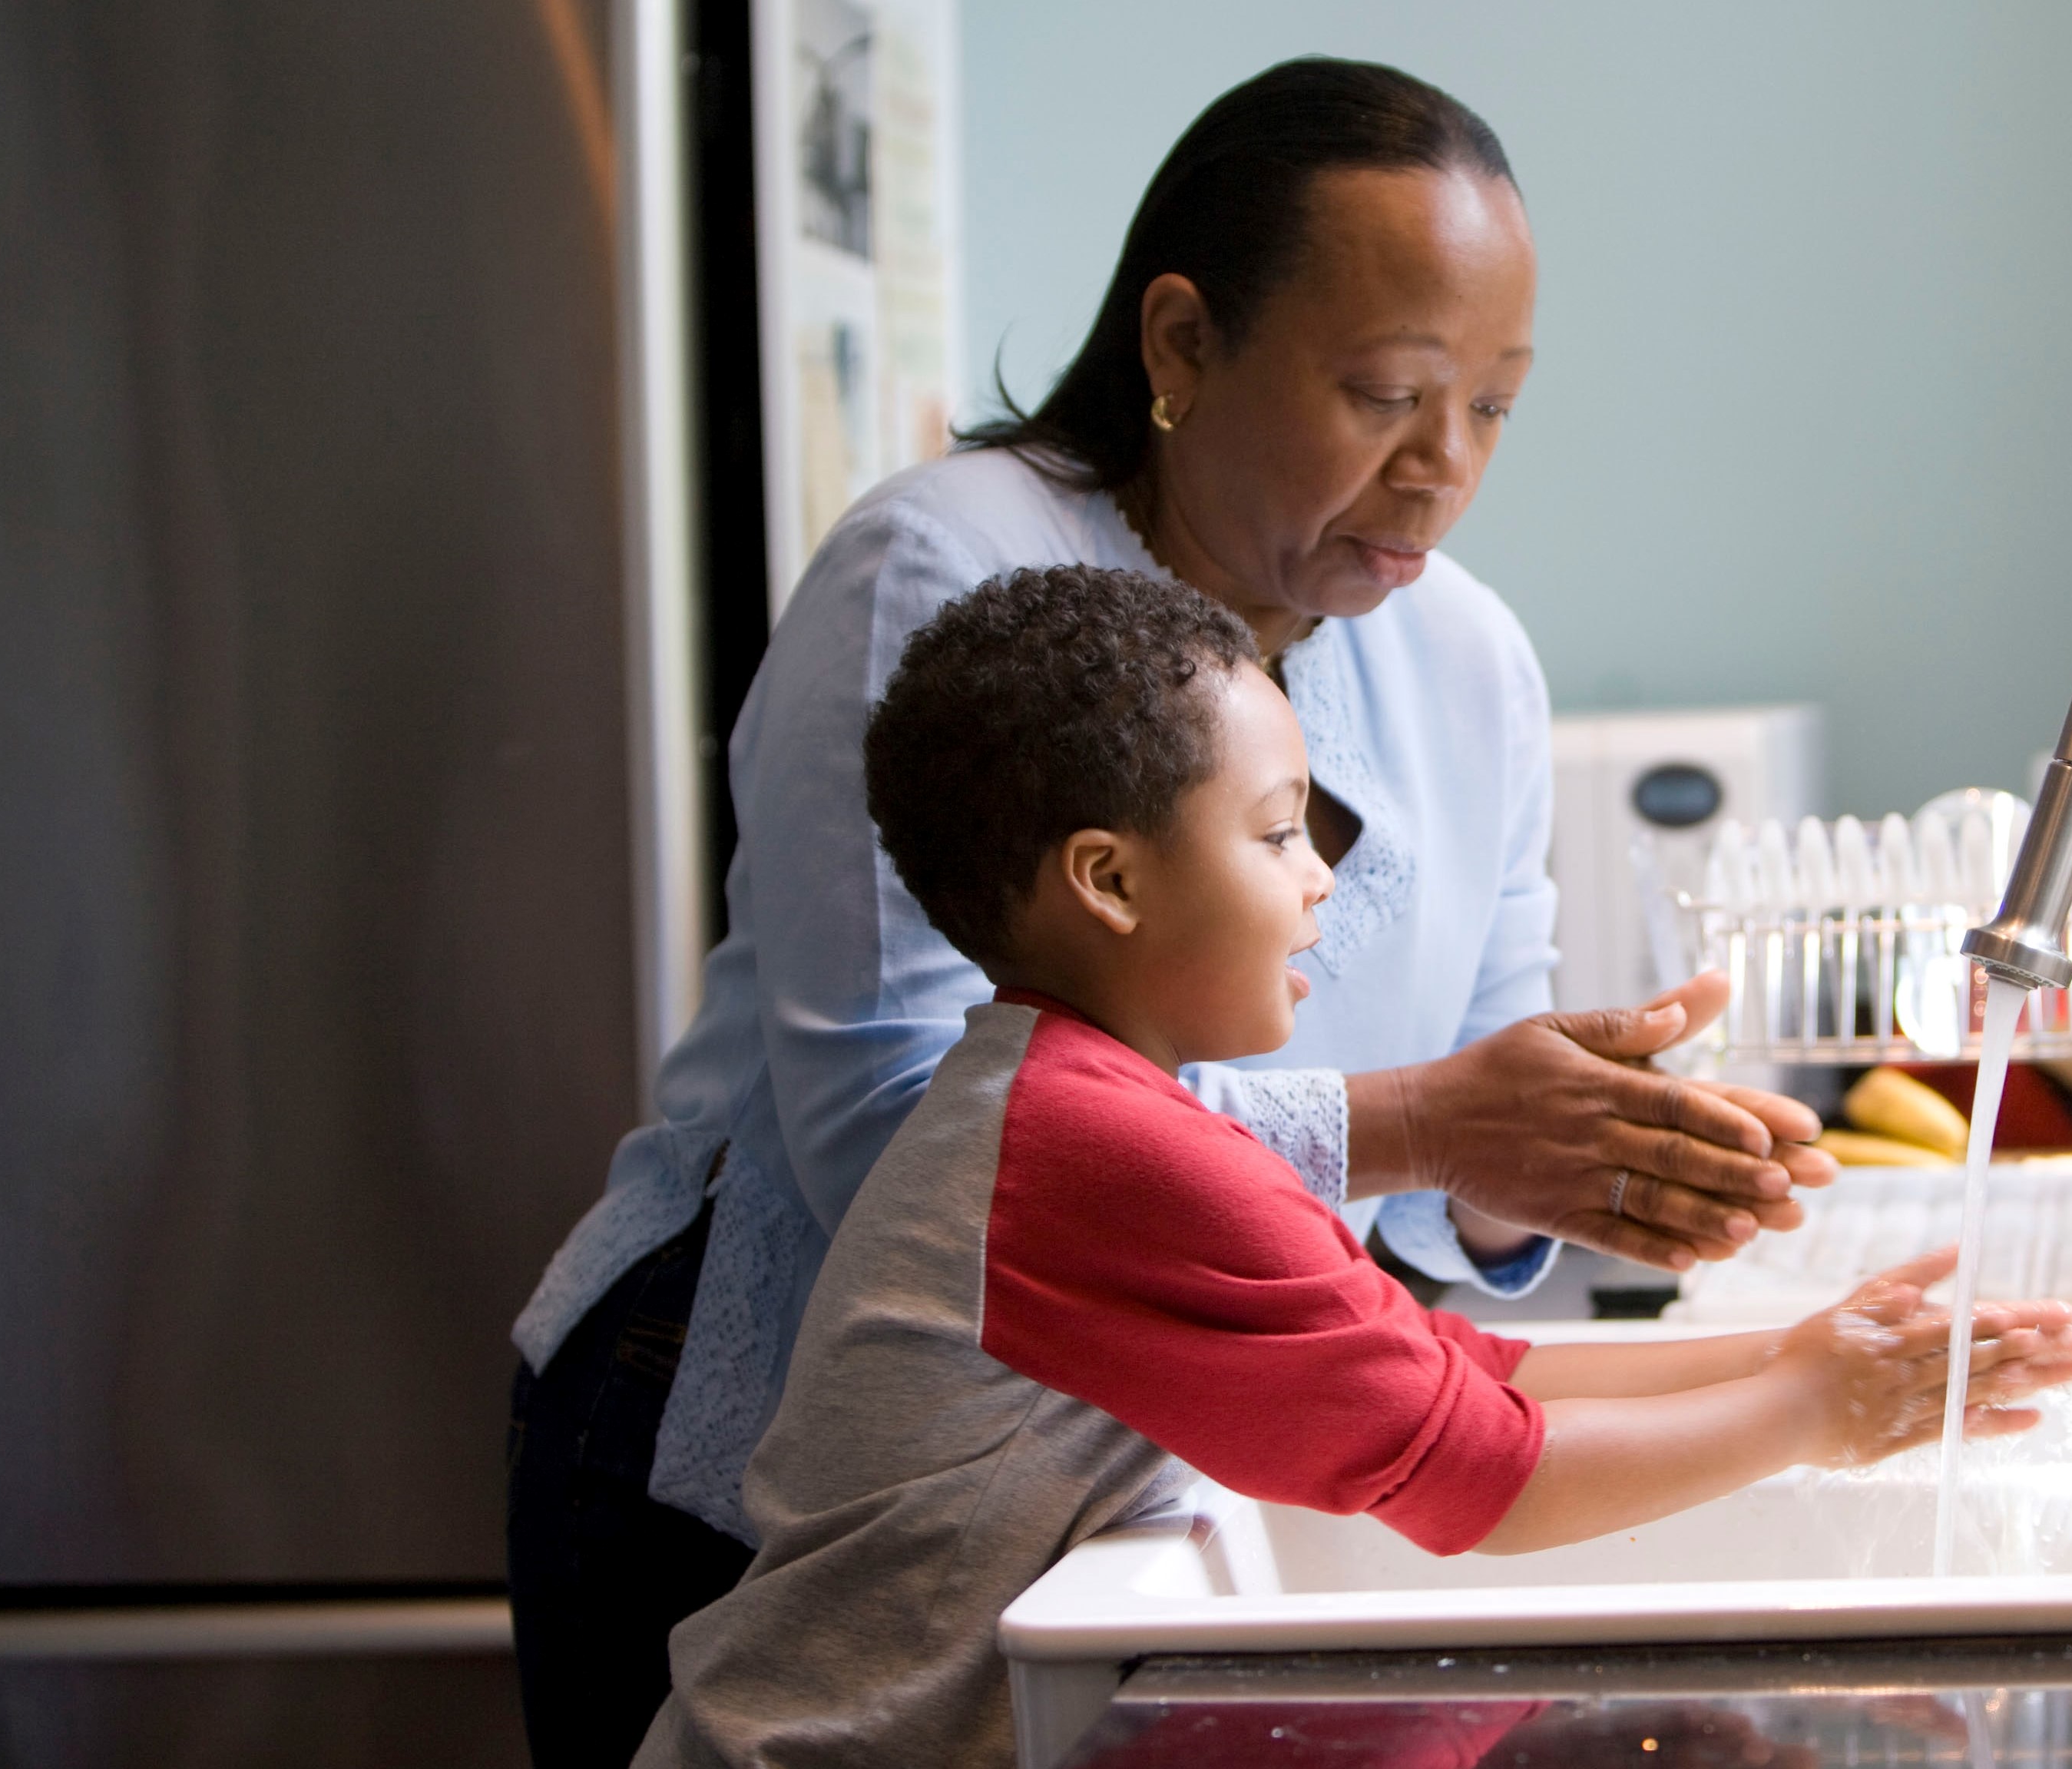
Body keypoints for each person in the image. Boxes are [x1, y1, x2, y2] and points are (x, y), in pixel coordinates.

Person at [506, 57, 1842, 1764]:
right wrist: (1431, 1123)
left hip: (1118, 1480)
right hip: (739, 1445)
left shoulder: (1469, 657)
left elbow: (1446, 1233)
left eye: (1494, 406)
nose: (1443, 467)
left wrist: (1574, 1162)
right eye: (1385, 391)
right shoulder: (946, 567)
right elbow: (900, 1146)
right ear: (1180, 345)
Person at [632, 566, 2072, 1767]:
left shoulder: (1083, 1104)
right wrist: (1810, 1412)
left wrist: (1789, 1353)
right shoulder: (1096, 1152)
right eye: (1277, 833)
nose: (1323, 876)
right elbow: (1480, 1480)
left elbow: (1452, 1370)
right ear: (1112, 881)